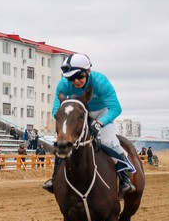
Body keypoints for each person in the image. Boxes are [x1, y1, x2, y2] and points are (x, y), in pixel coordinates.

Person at [44, 53, 136, 195]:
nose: (75, 81)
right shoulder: (64, 84)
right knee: (64, 141)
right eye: (71, 78)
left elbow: (116, 108)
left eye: (79, 76)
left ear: (88, 71)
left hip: (102, 113)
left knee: (106, 140)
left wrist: (99, 123)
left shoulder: (101, 82)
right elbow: (57, 109)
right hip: (79, 112)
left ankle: (125, 178)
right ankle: (55, 178)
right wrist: (63, 127)